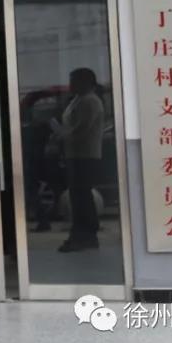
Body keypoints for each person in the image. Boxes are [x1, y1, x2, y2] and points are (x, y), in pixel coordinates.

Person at [52, 68, 104, 252]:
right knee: (77, 196)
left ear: (86, 82)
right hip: (74, 154)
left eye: (74, 81)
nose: (71, 85)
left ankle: (86, 234)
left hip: (85, 154)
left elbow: (82, 129)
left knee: (82, 196)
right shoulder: (77, 100)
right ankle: (80, 234)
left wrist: (62, 134)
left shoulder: (90, 101)